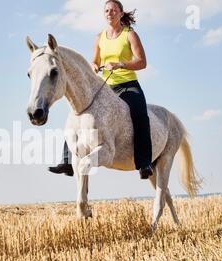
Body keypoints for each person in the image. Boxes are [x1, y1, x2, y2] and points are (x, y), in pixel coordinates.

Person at [48, 0, 154, 180]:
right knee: (77, 110)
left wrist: (121, 64)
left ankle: (144, 163)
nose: (109, 13)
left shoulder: (130, 35)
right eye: (106, 11)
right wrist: (95, 66)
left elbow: (142, 62)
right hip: (106, 86)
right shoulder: (100, 37)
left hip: (128, 86)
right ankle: (67, 161)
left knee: (140, 115)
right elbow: (94, 61)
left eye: (113, 10)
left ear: (121, 13)